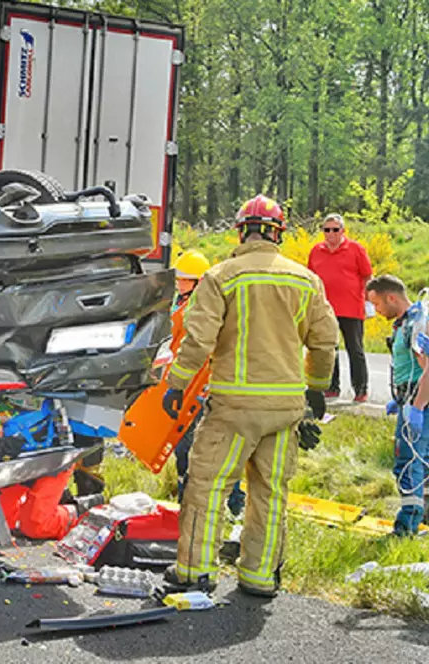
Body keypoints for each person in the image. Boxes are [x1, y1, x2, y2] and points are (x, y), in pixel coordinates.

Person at [161, 194, 337, 598]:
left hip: (233, 408)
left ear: (241, 230)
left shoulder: (221, 277)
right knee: (270, 493)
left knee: (207, 486)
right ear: (279, 234)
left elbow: (198, 338)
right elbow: (325, 342)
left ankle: (193, 572)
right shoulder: (305, 279)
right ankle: (259, 578)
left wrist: (177, 383)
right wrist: (316, 388)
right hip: (284, 409)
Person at [167, 250, 246, 516]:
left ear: (199, 282)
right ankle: (188, 502)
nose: (180, 284)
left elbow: (199, 347)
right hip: (188, 390)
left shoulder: (205, 308)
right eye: (179, 279)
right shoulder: (180, 304)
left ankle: (234, 503)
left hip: (205, 391)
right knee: (186, 452)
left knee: (210, 451)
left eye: (186, 280)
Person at [366, 276, 429, 536]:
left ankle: (407, 527)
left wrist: (415, 406)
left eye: (377, 303)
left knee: (408, 463)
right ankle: (424, 518)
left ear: (392, 297)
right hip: (410, 398)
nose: (376, 311)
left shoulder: (416, 325)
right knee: (423, 463)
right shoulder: (406, 323)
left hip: (418, 403)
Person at [308, 214, 373, 402]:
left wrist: (369, 302)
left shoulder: (355, 249)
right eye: (326, 230)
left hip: (352, 308)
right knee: (330, 350)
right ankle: (332, 387)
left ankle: (361, 389)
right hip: (326, 310)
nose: (330, 234)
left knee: (355, 350)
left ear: (342, 230)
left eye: (335, 229)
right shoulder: (316, 251)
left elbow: (367, 277)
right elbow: (311, 279)